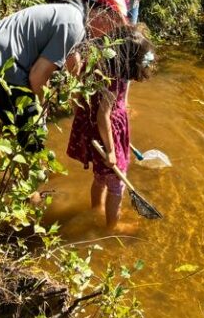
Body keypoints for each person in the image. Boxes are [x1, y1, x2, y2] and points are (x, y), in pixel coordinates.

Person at [0, 0, 129, 152]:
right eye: (113, 24)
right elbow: (37, 79)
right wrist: (42, 111)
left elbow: (57, 67)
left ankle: (9, 173)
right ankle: (23, 176)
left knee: (20, 129)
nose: (109, 33)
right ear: (101, 14)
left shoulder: (69, 14)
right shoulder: (73, 25)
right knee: (33, 136)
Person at [66, 24, 155, 229]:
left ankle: (96, 209)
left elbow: (81, 99)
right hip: (107, 133)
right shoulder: (114, 80)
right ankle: (112, 226)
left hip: (100, 133)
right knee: (117, 184)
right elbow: (102, 116)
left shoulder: (99, 65)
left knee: (100, 178)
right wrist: (112, 151)